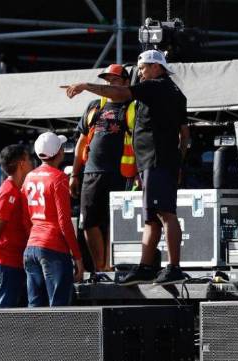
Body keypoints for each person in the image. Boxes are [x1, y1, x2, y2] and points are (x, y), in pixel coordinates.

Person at [64, 49, 190, 286]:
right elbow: (185, 134)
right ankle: (145, 266)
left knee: (164, 214)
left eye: (142, 68)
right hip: (157, 162)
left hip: (155, 160)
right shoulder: (176, 92)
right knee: (152, 217)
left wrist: (85, 85)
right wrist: (178, 161)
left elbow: (121, 93)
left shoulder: (156, 86)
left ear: (156, 67)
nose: (140, 73)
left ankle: (173, 267)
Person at [70, 63, 135, 274]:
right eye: (107, 81)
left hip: (121, 172)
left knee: (114, 221)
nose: (110, 84)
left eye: (115, 80)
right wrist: (75, 173)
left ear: (126, 83)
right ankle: (100, 266)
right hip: (91, 171)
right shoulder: (94, 106)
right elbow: (81, 142)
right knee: (88, 221)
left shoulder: (132, 106)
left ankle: (110, 264)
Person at [22, 132, 84, 307]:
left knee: (35, 307)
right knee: (58, 308)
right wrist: (78, 257)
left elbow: (25, 217)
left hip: (31, 247)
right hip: (53, 248)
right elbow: (64, 221)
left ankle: (34, 336)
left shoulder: (29, 177)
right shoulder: (59, 178)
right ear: (59, 153)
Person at [0, 144, 33, 308]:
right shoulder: (9, 191)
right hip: (6, 262)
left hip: (15, 262)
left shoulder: (16, 190)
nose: (32, 164)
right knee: (5, 312)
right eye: (29, 160)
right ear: (22, 163)